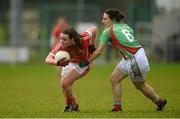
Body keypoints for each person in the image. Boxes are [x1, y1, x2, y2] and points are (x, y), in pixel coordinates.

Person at [87, 8, 167, 112]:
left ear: (113, 20)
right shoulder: (126, 26)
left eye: (105, 19)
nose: (102, 21)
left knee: (140, 86)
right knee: (114, 79)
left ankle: (159, 102)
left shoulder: (108, 31)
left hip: (134, 59)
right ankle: (117, 107)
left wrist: (86, 61)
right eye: (103, 19)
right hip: (134, 55)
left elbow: (98, 52)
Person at [45, 26, 97, 112]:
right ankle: (75, 105)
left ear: (73, 40)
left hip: (82, 65)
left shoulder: (84, 39)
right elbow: (47, 59)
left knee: (65, 83)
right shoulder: (60, 46)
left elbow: (94, 29)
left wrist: (91, 46)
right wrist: (57, 63)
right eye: (60, 38)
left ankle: (68, 106)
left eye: (64, 39)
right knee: (64, 89)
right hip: (70, 63)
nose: (61, 41)